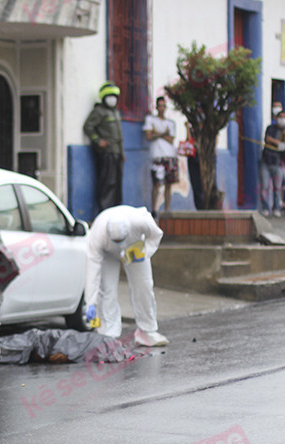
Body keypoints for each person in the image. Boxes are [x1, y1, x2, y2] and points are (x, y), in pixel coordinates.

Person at [83, 205, 169, 347]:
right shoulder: (97, 233)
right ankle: (109, 333)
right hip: (108, 254)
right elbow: (93, 269)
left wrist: (145, 252)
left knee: (144, 286)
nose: (119, 243)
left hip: (135, 248)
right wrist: (90, 302)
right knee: (107, 290)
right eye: (116, 241)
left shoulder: (140, 220)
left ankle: (147, 330)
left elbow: (156, 235)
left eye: (120, 240)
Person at [83, 82, 125, 211]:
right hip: (106, 154)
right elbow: (88, 127)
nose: (112, 99)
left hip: (117, 153)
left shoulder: (115, 113)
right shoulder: (99, 112)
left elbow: (119, 135)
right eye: (109, 96)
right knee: (107, 183)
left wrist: (122, 152)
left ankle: (116, 211)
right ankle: (104, 211)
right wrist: (98, 141)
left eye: (114, 96)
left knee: (117, 184)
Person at [143, 96, 178, 216]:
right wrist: (164, 133)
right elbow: (148, 136)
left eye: (164, 105)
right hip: (157, 156)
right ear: (156, 107)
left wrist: (156, 132)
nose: (162, 108)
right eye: (160, 105)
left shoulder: (170, 123)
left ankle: (167, 210)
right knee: (157, 184)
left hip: (170, 156)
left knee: (169, 184)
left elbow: (171, 139)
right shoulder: (150, 120)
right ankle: (154, 210)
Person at [259, 109, 285, 217]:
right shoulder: (270, 128)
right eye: (281, 117)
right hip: (265, 162)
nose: (282, 119)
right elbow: (268, 139)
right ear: (276, 118)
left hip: (278, 163)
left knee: (277, 188)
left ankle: (276, 208)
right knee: (264, 187)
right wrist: (278, 143)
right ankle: (265, 208)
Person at [177, 122, 203, 210]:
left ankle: (203, 205)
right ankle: (199, 206)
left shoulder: (205, 128)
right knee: (195, 183)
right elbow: (189, 141)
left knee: (201, 184)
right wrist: (187, 128)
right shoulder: (193, 127)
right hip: (193, 158)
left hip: (201, 157)